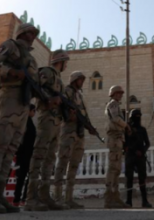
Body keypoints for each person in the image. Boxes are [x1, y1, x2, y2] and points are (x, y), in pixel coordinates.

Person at [0, 22, 40, 214]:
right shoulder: (10, 46)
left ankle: (0, 196)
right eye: (30, 32)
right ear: (22, 33)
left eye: (34, 33)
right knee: (0, 147)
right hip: (9, 99)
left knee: (11, 150)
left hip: (23, 105)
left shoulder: (31, 58)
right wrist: (10, 72)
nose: (32, 36)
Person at [25, 49, 69, 212]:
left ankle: (44, 196)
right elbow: (36, 87)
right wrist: (49, 98)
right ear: (61, 61)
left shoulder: (59, 78)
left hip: (56, 121)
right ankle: (31, 197)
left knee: (49, 159)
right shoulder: (47, 72)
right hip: (46, 118)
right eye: (66, 62)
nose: (66, 65)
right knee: (39, 155)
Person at [53, 70, 91, 209]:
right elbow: (62, 108)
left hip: (79, 133)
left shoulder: (80, 96)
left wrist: (89, 126)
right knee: (62, 163)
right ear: (74, 80)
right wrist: (69, 115)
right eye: (80, 80)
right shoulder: (67, 91)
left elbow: (84, 113)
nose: (82, 82)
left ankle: (69, 198)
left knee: (74, 166)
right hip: (68, 132)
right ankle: (57, 198)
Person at [104, 85, 130, 209]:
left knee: (117, 169)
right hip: (114, 138)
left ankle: (115, 196)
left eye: (121, 93)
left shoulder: (116, 105)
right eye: (118, 93)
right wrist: (126, 126)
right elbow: (115, 119)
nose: (120, 95)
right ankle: (109, 197)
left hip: (118, 138)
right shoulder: (113, 104)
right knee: (113, 168)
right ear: (113, 94)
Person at [124, 109, 152, 208]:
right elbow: (124, 143)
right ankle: (128, 201)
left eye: (139, 116)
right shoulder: (127, 129)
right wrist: (133, 150)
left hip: (140, 157)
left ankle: (144, 201)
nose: (138, 118)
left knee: (142, 179)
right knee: (129, 179)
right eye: (136, 116)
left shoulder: (142, 130)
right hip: (130, 156)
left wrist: (142, 151)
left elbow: (147, 143)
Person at [13, 104, 36, 207]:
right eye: (33, 111)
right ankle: (17, 199)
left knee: (29, 176)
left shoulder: (29, 122)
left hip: (29, 153)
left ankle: (24, 198)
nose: (34, 113)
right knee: (22, 176)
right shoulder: (25, 122)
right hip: (24, 153)